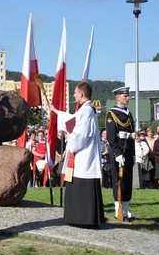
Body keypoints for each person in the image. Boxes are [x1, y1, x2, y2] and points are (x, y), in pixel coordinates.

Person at [50, 82, 105, 228]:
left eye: (75, 92)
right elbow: (72, 120)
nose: (73, 94)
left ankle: (83, 219)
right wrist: (56, 111)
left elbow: (81, 134)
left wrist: (70, 138)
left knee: (81, 185)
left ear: (81, 94)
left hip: (83, 156)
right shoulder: (85, 110)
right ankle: (78, 217)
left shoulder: (86, 111)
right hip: (82, 154)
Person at [106, 86, 136, 221]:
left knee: (128, 180)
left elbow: (131, 136)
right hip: (119, 152)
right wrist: (117, 154)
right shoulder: (112, 114)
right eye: (125, 96)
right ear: (118, 97)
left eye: (127, 95)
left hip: (128, 150)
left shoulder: (128, 113)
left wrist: (133, 152)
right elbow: (111, 138)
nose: (127, 98)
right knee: (118, 181)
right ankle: (118, 208)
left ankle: (126, 209)